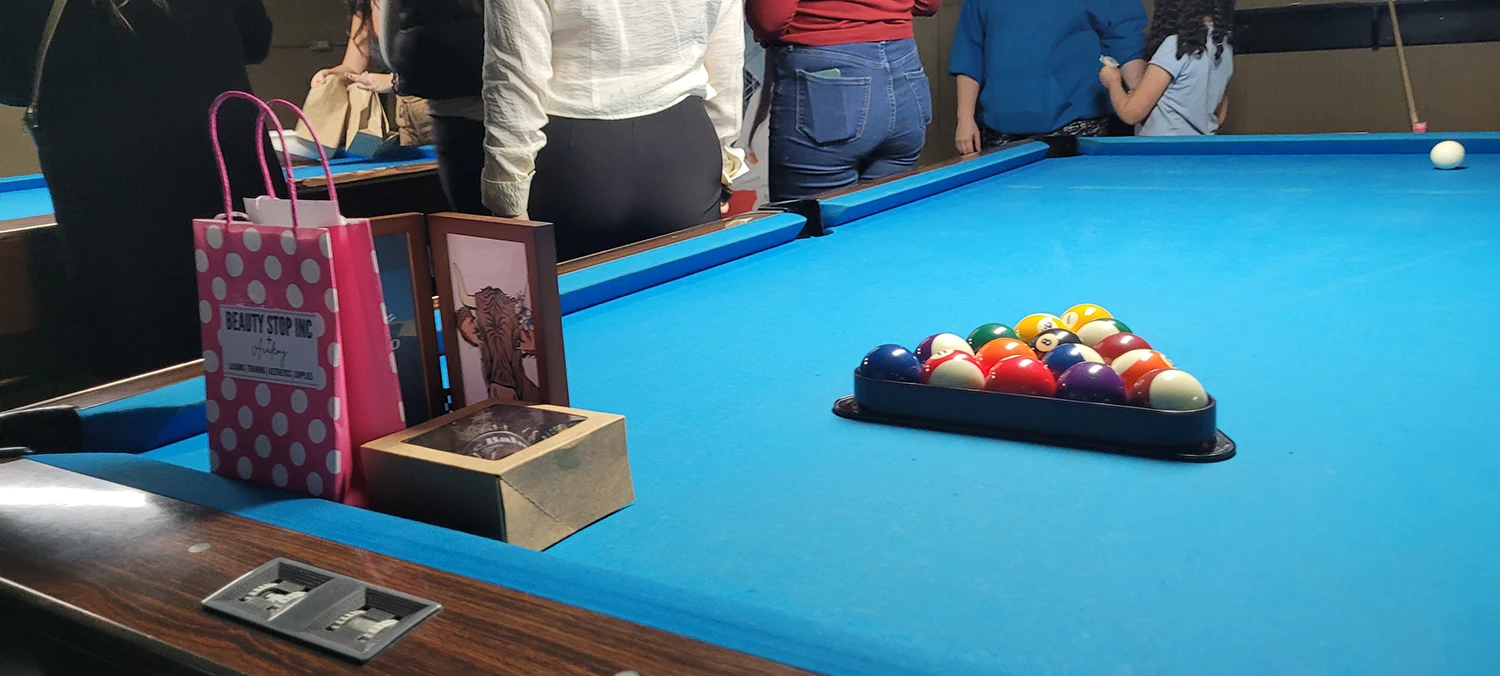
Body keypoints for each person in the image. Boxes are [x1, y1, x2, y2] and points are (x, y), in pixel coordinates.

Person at [0, 0, 274, 380]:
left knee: (142, 365)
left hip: (112, 205)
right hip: (229, 182)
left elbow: (12, 80)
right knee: (270, 355)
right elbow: (256, 41)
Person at [482, 0, 747, 261]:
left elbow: (514, 76)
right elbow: (726, 59)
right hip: (684, 148)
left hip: (577, 162)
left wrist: (508, 197)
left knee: (574, 289)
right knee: (690, 284)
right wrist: (725, 162)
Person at [746, 0, 942, 202]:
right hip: (905, 74)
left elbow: (769, 19)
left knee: (814, 218)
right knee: (885, 216)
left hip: (826, 77)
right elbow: (928, 4)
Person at [950, 1, 1148, 153]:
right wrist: (965, 119)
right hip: (999, 124)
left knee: (1072, 194)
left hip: (1075, 122)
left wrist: (1142, 103)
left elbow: (1126, 38)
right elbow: (969, 51)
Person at [381, 0, 486, 213]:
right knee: (535, 224)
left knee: (474, 222)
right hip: (523, 106)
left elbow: (390, 51)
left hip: (451, 111)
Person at [1100, 0, 1235, 136]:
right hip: (1201, 144)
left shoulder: (1175, 46)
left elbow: (1130, 114)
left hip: (1162, 145)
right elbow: (1219, 115)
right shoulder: (1224, 48)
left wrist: (1113, 81)